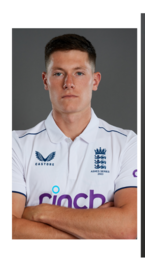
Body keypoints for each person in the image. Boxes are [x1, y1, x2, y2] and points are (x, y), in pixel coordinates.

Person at [12, 34, 137, 239]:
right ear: (46, 80)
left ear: (94, 81)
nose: (69, 83)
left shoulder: (126, 143)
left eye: (79, 73)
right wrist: (95, 231)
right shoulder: (15, 144)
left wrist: (41, 212)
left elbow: (128, 227)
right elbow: (8, 229)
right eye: (59, 73)